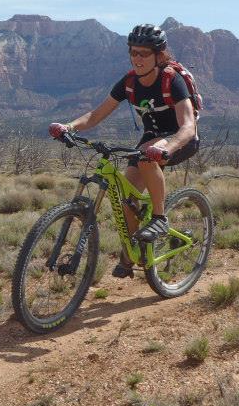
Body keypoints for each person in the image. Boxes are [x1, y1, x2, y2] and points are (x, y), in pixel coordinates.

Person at [48, 23, 200, 278]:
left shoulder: (171, 80)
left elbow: (188, 126)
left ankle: (160, 218)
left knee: (146, 155)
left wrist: (168, 147)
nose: (137, 58)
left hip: (180, 139)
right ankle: (131, 254)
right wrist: (69, 127)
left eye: (144, 53)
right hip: (151, 140)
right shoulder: (129, 82)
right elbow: (95, 115)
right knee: (126, 199)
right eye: (133, 52)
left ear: (158, 55)